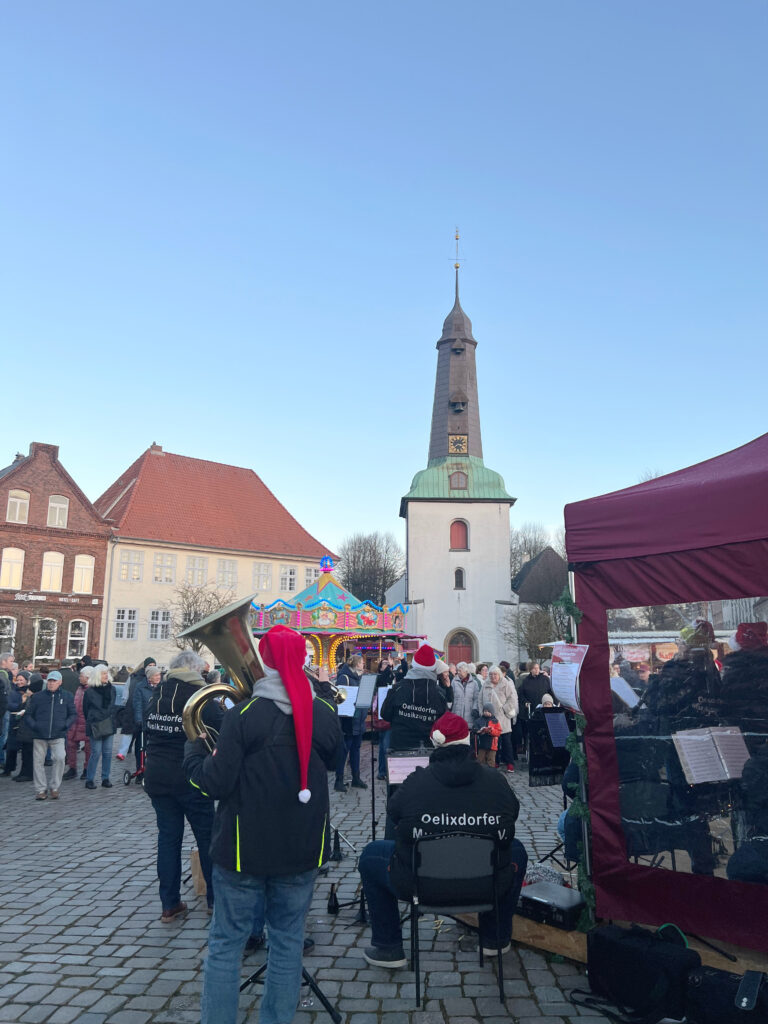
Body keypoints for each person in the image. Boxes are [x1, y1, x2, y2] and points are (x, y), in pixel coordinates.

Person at [184, 623, 342, 1024]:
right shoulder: (321, 713)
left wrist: (193, 753)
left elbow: (215, 783)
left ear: (264, 660)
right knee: (288, 944)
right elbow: (338, 762)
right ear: (303, 661)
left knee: (225, 944)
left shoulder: (243, 715)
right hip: (301, 850)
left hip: (243, 851)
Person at [358, 712, 528, 966]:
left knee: (372, 854)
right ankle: (495, 938)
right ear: (468, 740)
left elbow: (394, 815)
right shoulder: (495, 780)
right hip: (485, 882)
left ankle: (388, 947)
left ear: (435, 743)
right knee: (516, 851)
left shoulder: (416, 781)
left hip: (421, 884)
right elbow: (511, 815)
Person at [144, 650, 219, 922]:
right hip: (191, 777)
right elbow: (221, 729)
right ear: (193, 670)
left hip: (157, 776)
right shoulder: (201, 697)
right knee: (208, 837)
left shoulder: (157, 693)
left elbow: (147, 727)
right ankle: (214, 900)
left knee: (168, 840)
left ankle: (169, 904)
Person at [379, 644, 448, 750]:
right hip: (429, 748)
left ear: (414, 665)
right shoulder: (440, 693)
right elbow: (444, 723)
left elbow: (385, 714)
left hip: (400, 747)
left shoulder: (398, 688)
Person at [24, 670, 76, 800]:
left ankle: (55, 786)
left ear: (60, 682)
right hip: (40, 735)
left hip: (58, 734)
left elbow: (73, 714)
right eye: (50, 681)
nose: (51, 683)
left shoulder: (67, 696)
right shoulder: (38, 697)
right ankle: (41, 789)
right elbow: (28, 714)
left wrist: (65, 725)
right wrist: (35, 726)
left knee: (60, 758)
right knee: (38, 763)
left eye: (54, 681)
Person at [334, 654, 367, 792]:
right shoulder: (344, 677)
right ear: (356, 664)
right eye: (361, 662)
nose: (363, 664)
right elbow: (338, 699)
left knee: (356, 749)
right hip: (347, 720)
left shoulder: (359, 678)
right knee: (344, 750)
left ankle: (356, 778)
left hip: (358, 719)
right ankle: (339, 779)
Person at [83, 665, 116, 789]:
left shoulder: (112, 689)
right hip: (95, 724)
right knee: (96, 752)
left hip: (109, 723)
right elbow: (85, 709)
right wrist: (93, 719)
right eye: (103, 673)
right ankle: (90, 779)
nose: (106, 675)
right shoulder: (89, 692)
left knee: (107, 752)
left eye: (107, 673)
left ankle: (105, 778)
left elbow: (113, 706)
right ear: (97, 675)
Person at [482, 666, 519, 772]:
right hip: (490, 718)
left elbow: (512, 698)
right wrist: (482, 712)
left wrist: (504, 709)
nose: (493, 676)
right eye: (491, 674)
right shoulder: (486, 684)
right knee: (494, 741)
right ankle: (496, 761)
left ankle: (510, 763)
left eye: (495, 674)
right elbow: (480, 699)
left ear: (499, 675)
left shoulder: (505, 684)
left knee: (506, 741)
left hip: (503, 718)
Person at [2, 672, 33, 779]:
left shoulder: (30, 692)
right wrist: (21, 705)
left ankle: (23, 772)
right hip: (14, 722)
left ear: (26, 680)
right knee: (11, 747)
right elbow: (9, 705)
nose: (19, 682)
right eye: (18, 680)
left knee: (25, 750)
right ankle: (8, 768)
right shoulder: (13, 692)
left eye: (21, 680)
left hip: (25, 724)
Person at [450, 662, 481, 732]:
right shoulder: (454, 682)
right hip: (456, 713)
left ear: (466, 671)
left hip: (469, 715)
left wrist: (475, 708)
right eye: (457, 670)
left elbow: (476, 698)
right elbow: (451, 697)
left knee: (468, 737)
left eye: (460, 671)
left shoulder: (474, 683)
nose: (458, 672)